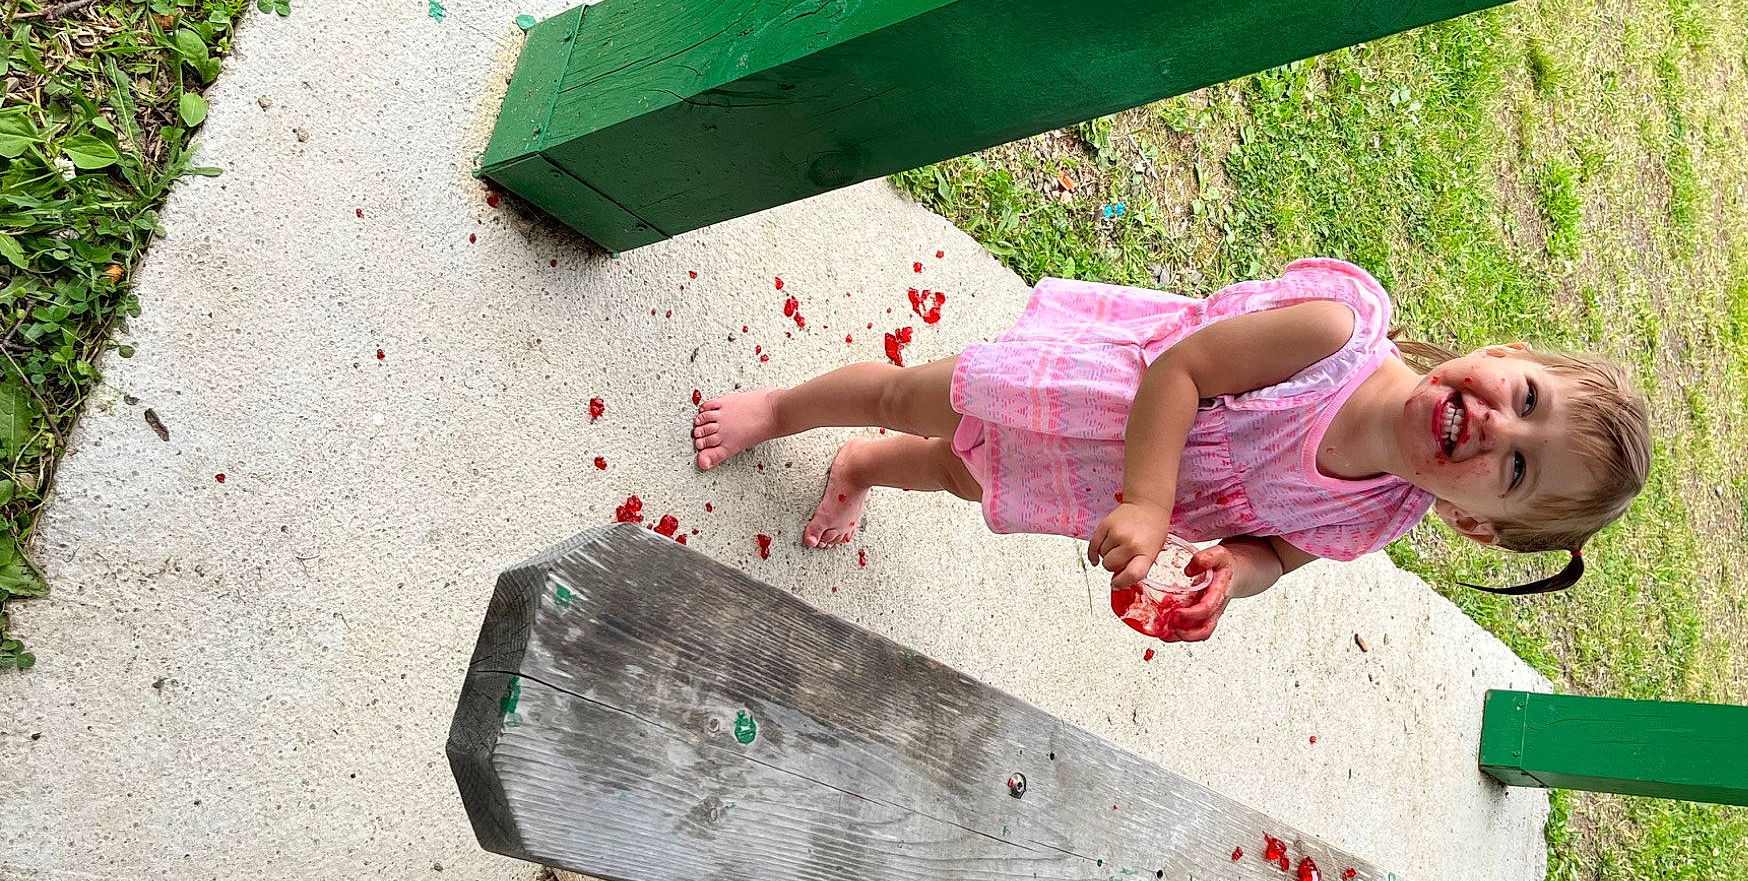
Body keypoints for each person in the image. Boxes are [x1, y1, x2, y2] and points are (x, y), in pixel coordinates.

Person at [691, 258, 1650, 640]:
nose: (1498, 425)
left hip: (1095, 483)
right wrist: (1151, 502)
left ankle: (861, 467)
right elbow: (1182, 372)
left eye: (1517, 467)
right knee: (914, 394)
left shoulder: (1377, 515)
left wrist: (1234, 575)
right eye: (1526, 399)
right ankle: (784, 410)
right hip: (1099, 395)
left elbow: (1282, 549)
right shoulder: (1334, 339)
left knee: (957, 470)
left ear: (1477, 524)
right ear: (1507, 357)